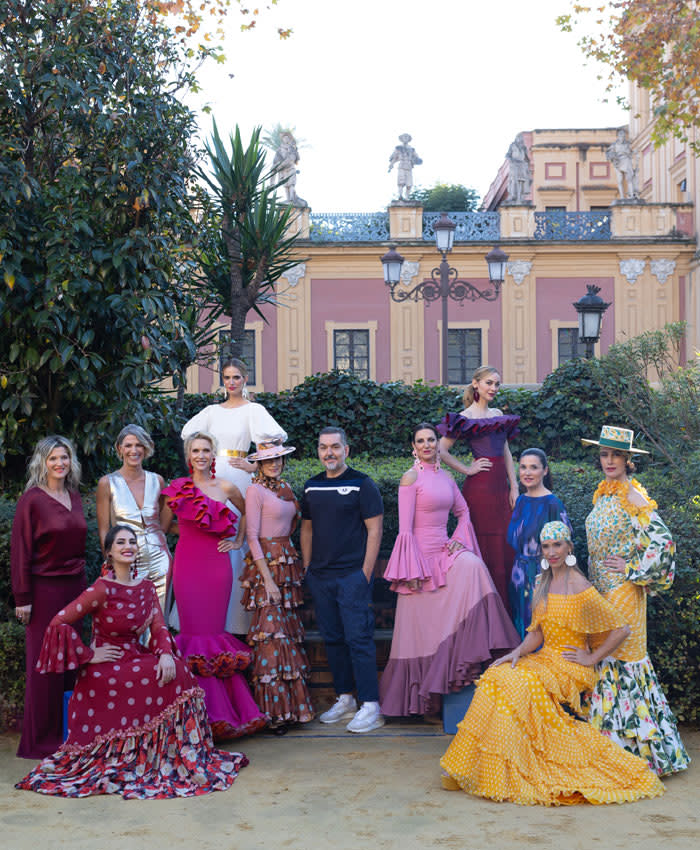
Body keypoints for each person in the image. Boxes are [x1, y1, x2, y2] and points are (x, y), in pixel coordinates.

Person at [440, 521, 665, 805]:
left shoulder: (580, 587)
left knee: (518, 684)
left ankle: (514, 767)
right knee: (498, 677)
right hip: (544, 658)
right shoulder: (542, 583)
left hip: (569, 665)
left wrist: (592, 657)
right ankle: (483, 768)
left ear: (569, 547)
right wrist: (516, 653)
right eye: (546, 546)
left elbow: (622, 628)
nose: (551, 552)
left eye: (557, 545)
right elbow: (536, 634)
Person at [16, 524, 248, 799]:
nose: (128, 546)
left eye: (132, 542)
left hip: (135, 655)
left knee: (179, 668)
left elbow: (159, 628)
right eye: (120, 543)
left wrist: (164, 653)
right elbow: (59, 621)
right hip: (106, 664)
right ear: (109, 553)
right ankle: (133, 756)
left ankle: (169, 755)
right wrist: (88, 655)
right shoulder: (101, 589)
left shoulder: (147, 587)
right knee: (151, 671)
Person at [379, 424, 519, 717]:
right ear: (413, 448)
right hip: (417, 564)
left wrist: (457, 541)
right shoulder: (410, 478)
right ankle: (419, 701)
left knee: (473, 566)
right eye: (421, 441)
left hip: (444, 554)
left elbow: (463, 512)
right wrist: (411, 570)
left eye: (431, 439)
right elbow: (405, 530)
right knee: (418, 633)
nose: (428, 445)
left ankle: (467, 659)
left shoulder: (446, 477)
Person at [582, 425, 690, 776]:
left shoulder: (633, 494)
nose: (609, 460)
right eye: (604, 454)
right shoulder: (604, 495)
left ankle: (634, 757)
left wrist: (631, 568)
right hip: (600, 592)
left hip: (624, 593)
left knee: (622, 665)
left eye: (616, 455)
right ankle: (606, 753)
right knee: (604, 667)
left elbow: (663, 544)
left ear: (629, 461)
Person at [161, 431, 266, 741]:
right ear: (188, 455)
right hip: (187, 566)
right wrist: (192, 533)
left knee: (212, 636)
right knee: (191, 635)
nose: (201, 455)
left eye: (206, 450)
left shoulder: (226, 486)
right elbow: (165, 525)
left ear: (213, 454)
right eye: (195, 450)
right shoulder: (177, 490)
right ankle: (189, 712)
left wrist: (236, 541)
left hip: (217, 568)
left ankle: (221, 714)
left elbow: (248, 510)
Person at [181, 357, 287, 635]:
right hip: (212, 474)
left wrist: (255, 465)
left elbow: (276, 441)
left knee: (239, 538)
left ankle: (238, 620)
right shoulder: (211, 412)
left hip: (239, 475)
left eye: (236, 377)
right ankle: (207, 611)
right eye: (227, 377)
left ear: (245, 379)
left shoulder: (254, 410)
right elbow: (188, 434)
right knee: (211, 534)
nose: (231, 382)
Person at [300, 427, 384, 733]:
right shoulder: (311, 487)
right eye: (323, 448)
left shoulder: (362, 484)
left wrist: (365, 573)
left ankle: (371, 705)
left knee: (358, 639)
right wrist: (308, 568)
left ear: (346, 450)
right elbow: (306, 529)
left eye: (335, 447)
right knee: (333, 639)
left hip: (352, 576)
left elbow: (375, 530)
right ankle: (346, 697)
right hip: (321, 577)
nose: (329, 453)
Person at [11, 435, 88, 760]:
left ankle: (68, 733)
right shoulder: (32, 500)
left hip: (75, 590)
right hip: (43, 592)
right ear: (42, 462)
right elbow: (20, 551)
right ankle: (41, 741)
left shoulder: (74, 495)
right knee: (44, 667)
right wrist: (23, 597)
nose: (59, 463)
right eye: (53, 458)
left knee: (71, 664)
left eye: (65, 458)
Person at [242, 438, 313, 732]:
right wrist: (268, 580)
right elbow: (252, 537)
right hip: (266, 568)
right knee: (272, 637)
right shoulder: (254, 490)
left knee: (288, 635)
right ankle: (273, 714)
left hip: (288, 564)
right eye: (268, 459)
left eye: (278, 458)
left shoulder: (285, 487)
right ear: (258, 463)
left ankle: (292, 711)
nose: (274, 463)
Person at [438, 365, 520, 613]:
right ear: (476, 384)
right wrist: (467, 469)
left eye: (497, 384)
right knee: (482, 546)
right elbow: (440, 450)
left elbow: (506, 451)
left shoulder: (497, 414)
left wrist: (514, 486)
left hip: (500, 490)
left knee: (505, 546)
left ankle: (506, 615)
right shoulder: (465, 417)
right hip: (479, 490)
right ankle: (483, 613)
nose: (494, 388)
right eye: (489, 383)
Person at [96, 424, 170, 610]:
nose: (133, 450)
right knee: (129, 615)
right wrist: (110, 559)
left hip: (160, 560)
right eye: (128, 445)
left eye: (139, 445)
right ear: (119, 449)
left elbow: (162, 521)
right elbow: (104, 528)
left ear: (146, 448)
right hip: (126, 558)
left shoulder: (157, 480)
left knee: (160, 618)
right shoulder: (107, 483)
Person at [507, 447, 572, 638]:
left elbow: (565, 546)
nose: (527, 473)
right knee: (521, 631)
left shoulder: (553, 503)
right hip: (518, 577)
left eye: (533, 467)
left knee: (541, 633)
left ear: (545, 470)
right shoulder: (520, 501)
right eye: (523, 467)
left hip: (542, 578)